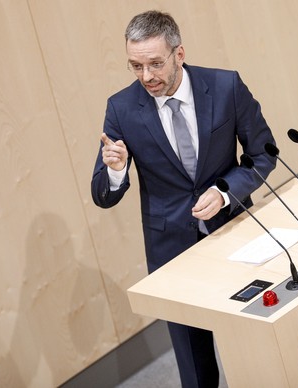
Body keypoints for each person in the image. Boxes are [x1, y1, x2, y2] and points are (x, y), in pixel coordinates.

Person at [91, 10, 276, 388]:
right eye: (136, 66)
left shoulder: (225, 87)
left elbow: (263, 154)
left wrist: (226, 192)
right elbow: (103, 195)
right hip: (171, 247)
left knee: (256, 341)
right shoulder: (122, 109)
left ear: (179, 54)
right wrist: (115, 169)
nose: (147, 77)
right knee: (195, 364)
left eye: (156, 63)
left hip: (233, 230)